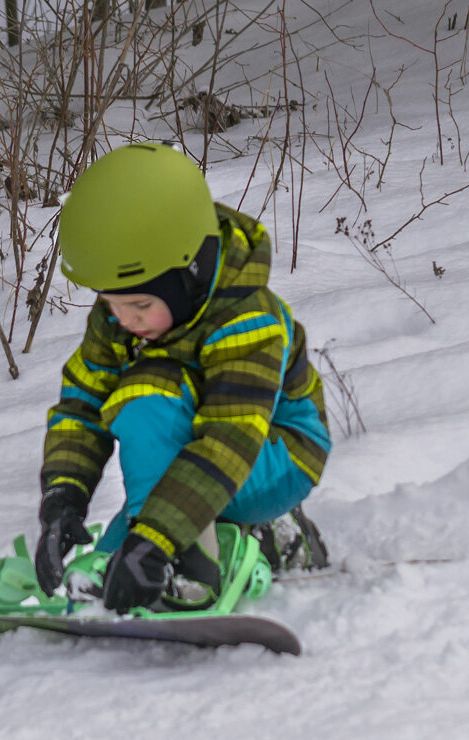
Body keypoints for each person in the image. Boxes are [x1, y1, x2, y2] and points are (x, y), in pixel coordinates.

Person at [34, 143, 332, 615]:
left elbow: (229, 439)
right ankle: (255, 540)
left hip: (276, 451)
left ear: (188, 275)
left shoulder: (247, 320)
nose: (124, 320)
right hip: (196, 455)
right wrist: (63, 496)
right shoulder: (126, 312)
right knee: (126, 543)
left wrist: (157, 542)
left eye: (140, 306)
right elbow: (82, 404)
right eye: (111, 304)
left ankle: (194, 569)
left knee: (148, 398)